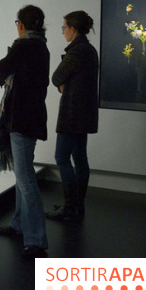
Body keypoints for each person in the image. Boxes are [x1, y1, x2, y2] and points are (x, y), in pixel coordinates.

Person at [0, 5, 50, 259]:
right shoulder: (42, 47)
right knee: (22, 172)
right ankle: (18, 224)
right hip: (34, 117)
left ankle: (36, 239)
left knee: (25, 177)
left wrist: (9, 74)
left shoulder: (23, 46)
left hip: (20, 119)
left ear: (22, 25)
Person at [46, 11, 99, 221]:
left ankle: (70, 206)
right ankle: (77, 204)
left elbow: (56, 77)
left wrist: (63, 85)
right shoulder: (89, 50)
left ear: (73, 29)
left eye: (64, 28)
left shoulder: (77, 52)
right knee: (79, 157)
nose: (63, 32)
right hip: (83, 113)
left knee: (62, 156)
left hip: (72, 113)